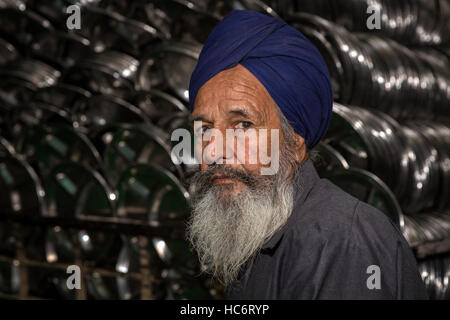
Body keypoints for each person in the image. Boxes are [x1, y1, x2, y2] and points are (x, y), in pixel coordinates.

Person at [186, 10, 427, 299]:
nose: (215, 151)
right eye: (205, 130)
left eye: (243, 125)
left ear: (295, 142)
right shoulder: (257, 232)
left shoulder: (342, 240)